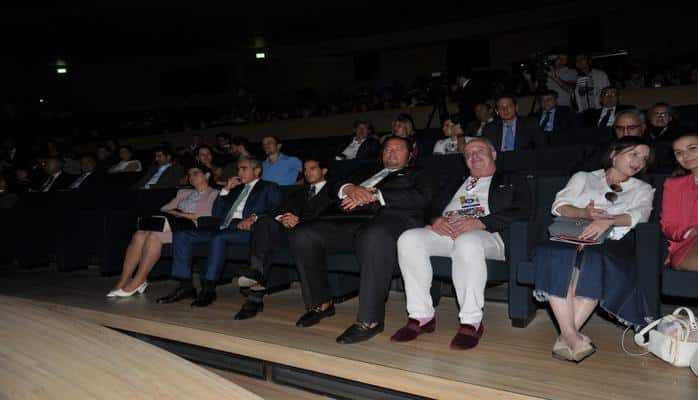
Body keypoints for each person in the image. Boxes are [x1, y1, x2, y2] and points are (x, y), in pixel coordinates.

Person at [289, 136, 433, 344]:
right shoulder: (366, 170)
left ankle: (370, 320)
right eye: (387, 149)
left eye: (398, 149)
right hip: (347, 221)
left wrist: (377, 195)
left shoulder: (420, 173)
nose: (391, 153)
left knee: (373, 235)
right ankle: (321, 304)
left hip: (388, 221)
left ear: (410, 155)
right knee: (303, 233)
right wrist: (349, 189)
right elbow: (333, 184)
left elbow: (422, 198)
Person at [393, 137, 531, 349]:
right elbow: (431, 207)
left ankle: (471, 322)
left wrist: (481, 222)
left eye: (480, 151)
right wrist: (436, 220)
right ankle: (421, 316)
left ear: (494, 154)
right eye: (468, 154)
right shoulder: (455, 182)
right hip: (447, 232)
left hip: (488, 235)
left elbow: (523, 210)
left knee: (467, 242)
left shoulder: (512, 179)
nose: (474, 156)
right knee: (408, 238)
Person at [534, 136, 655, 363]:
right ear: (614, 154)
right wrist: (585, 214)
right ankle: (571, 337)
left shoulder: (643, 188)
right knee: (558, 256)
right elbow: (559, 205)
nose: (639, 161)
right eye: (633, 154)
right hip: (570, 236)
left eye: (644, 158)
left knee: (593, 262)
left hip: (611, 242)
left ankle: (566, 337)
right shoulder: (584, 177)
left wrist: (608, 221)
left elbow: (640, 215)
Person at [157, 157, 280, 307]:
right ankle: (185, 286)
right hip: (222, 227)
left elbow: (274, 210)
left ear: (257, 171)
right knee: (182, 235)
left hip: (249, 229)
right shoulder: (235, 189)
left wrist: (254, 218)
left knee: (218, 237)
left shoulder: (269, 187)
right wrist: (226, 190)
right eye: (238, 169)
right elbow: (216, 213)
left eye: (244, 169)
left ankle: (209, 289)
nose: (239, 172)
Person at [233, 159, 333, 320]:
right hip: (288, 232)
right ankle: (256, 273)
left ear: (324, 171)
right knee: (264, 223)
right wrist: (283, 218)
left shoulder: (333, 190)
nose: (307, 172)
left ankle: (255, 298)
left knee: (280, 239)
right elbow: (277, 210)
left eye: (312, 168)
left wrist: (300, 221)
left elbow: (331, 218)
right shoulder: (299, 192)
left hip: (313, 235)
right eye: (305, 169)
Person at [107, 165, 219, 298]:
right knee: (139, 235)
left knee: (154, 235)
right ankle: (124, 280)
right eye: (189, 174)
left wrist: (180, 214)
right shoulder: (183, 192)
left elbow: (204, 215)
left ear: (207, 175)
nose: (191, 176)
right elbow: (165, 208)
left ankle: (139, 280)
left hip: (193, 228)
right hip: (172, 224)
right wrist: (176, 213)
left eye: (195, 173)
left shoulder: (214, 193)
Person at [660, 133, 698, 271]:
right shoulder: (674, 185)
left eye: (692, 148)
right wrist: (690, 232)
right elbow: (668, 225)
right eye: (679, 153)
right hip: (687, 245)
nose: (685, 156)